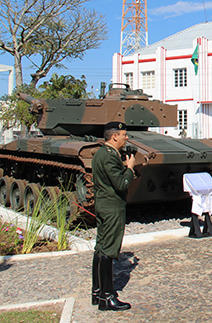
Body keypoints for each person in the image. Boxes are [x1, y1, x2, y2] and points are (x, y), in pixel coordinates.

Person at [92, 121, 134, 311]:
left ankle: (98, 292)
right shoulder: (109, 156)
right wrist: (130, 168)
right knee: (108, 250)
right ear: (114, 136)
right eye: (124, 134)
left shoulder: (101, 153)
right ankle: (107, 297)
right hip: (112, 207)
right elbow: (121, 184)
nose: (126, 138)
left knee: (101, 248)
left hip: (103, 204)